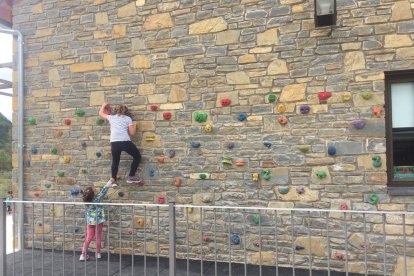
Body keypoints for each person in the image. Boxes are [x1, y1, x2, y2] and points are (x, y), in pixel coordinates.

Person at [99, 103, 143, 186]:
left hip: (114, 143)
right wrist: (135, 125)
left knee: (115, 161)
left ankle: (113, 180)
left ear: (115, 111)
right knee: (137, 157)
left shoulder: (111, 117)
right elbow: (132, 133)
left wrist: (103, 105)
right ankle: (131, 176)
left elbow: (101, 114)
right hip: (125, 142)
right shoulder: (127, 119)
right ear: (126, 111)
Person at [79, 180, 112, 261]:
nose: (95, 190)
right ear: (93, 194)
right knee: (98, 236)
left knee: (89, 237)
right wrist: (110, 181)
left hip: (90, 222)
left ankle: (83, 255)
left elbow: (86, 194)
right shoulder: (96, 199)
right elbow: (103, 191)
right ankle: (98, 254)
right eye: (94, 190)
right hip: (98, 221)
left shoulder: (85, 201)